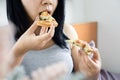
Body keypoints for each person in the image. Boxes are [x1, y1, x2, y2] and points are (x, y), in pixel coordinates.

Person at [6, 0, 101, 80]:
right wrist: (18, 51)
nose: (48, 1)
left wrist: (93, 73)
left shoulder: (67, 31)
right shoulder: (3, 38)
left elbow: (84, 75)